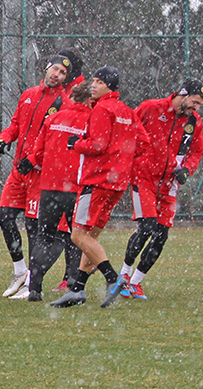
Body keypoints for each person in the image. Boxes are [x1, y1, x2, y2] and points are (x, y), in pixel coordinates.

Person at [50, 66, 147, 308]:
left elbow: (97, 145)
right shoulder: (126, 111)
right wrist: (120, 159)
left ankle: (113, 279)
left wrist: (77, 144)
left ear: (109, 86)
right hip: (117, 183)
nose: (93, 85)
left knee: (78, 234)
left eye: (98, 81)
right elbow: (143, 144)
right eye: (93, 80)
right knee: (91, 236)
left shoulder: (102, 108)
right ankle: (78, 289)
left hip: (96, 181)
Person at [0, 51, 82, 298]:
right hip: (18, 171)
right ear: (47, 68)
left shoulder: (64, 103)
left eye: (63, 73)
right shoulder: (28, 95)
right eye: (55, 69)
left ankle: (33, 280)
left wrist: (33, 160)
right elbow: (16, 124)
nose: (57, 74)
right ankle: (20, 270)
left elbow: (56, 144)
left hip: (41, 174)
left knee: (36, 229)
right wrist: (5, 137)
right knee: (5, 217)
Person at [115, 78, 203, 301]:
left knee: (161, 234)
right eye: (194, 102)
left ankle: (136, 282)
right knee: (147, 226)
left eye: (199, 105)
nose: (196, 107)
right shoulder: (150, 108)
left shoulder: (194, 121)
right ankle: (123, 275)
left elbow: (196, 152)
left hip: (169, 185)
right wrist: (127, 159)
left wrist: (187, 169)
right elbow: (127, 130)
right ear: (182, 95)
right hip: (143, 178)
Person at [22, 81, 93, 302]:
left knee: (44, 236)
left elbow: (38, 152)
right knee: (76, 237)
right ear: (90, 100)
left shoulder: (53, 118)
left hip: (49, 188)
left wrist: (32, 163)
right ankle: (73, 282)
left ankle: (35, 286)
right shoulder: (91, 121)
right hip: (76, 188)